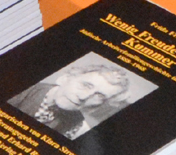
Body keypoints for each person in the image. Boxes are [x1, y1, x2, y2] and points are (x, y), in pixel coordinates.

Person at [9, 58, 144, 138]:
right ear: (64, 79)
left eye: (99, 96)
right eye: (85, 85)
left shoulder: (78, 127)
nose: (84, 96)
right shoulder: (17, 89)